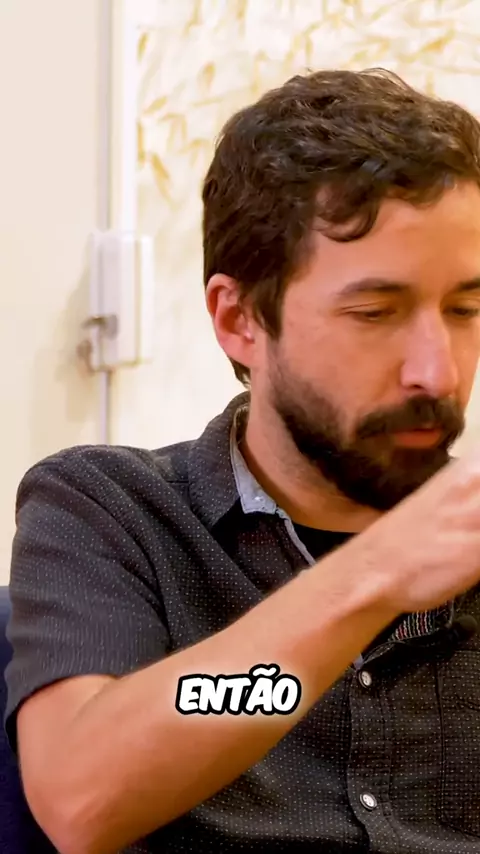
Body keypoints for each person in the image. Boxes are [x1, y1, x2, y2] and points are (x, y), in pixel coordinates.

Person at [6, 67, 480, 854]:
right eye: (375, 312)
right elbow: (83, 798)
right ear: (239, 320)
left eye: (467, 309)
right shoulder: (111, 510)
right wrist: (374, 576)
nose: (437, 371)